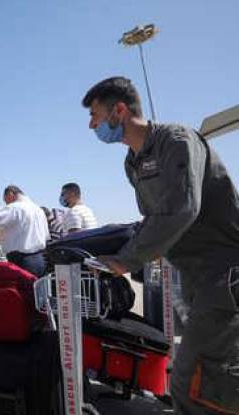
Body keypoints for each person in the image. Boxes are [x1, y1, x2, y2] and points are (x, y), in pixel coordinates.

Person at [82, 76, 239, 414]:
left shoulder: (177, 141)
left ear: (119, 111)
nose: (92, 125)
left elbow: (181, 209)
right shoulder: (133, 162)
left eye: (95, 115)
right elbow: (152, 219)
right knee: (214, 376)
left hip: (224, 272)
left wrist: (126, 261)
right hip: (193, 275)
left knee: (192, 381)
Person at [0, 186, 49, 276]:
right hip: (39, 258)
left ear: (10, 195)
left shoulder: (15, 207)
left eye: (6, 200)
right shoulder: (38, 210)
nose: (6, 204)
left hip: (22, 260)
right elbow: (46, 236)